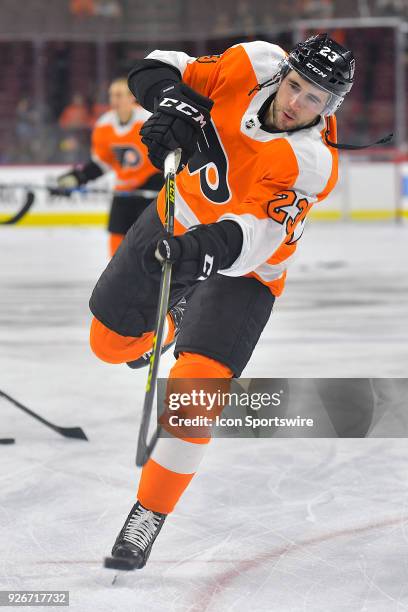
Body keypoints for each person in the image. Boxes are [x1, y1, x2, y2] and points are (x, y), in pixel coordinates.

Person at [89, 33, 356, 569]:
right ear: (284, 73)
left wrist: (191, 252)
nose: (296, 105)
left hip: (245, 271)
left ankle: (148, 514)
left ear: (331, 108)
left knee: (194, 392)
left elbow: (251, 240)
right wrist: (172, 99)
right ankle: (170, 320)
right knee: (108, 344)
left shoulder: (311, 161)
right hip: (177, 213)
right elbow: (160, 64)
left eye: (315, 100)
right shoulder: (252, 61)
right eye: (297, 87)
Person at [54, 77, 163, 256]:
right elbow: (103, 163)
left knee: (152, 244)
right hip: (123, 191)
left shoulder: (148, 121)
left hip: (151, 189)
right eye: (112, 95)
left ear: (132, 97)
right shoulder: (104, 125)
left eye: (119, 95)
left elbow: (167, 156)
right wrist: (77, 177)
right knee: (116, 245)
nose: (115, 100)